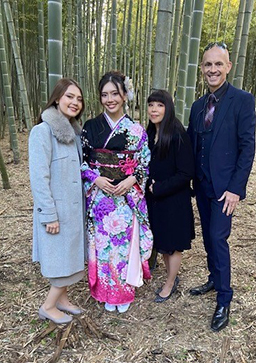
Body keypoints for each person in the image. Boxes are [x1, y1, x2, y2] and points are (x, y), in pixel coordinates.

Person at [187, 42, 256, 331]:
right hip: (202, 185)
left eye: (218, 64)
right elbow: (191, 144)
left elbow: (247, 146)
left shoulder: (242, 100)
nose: (212, 69)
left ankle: (224, 298)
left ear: (228, 67)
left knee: (217, 238)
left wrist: (236, 189)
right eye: (207, 64)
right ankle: (215, 279)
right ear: (202, 68)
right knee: (207, 238)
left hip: (225, 188)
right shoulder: (198, 105)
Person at [81, 71, 153, 313]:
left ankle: (123, 292)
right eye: (104, 94)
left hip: (125, 197)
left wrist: (131, 179)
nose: (110, 99)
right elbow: (81, 162)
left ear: (125, 95)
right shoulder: (90, 127)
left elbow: (144, 162)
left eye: (115, 93)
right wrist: (96, 178)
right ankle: (104, 291)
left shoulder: (136, 129)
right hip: (100, 196)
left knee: (123, 247)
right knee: (102, 245)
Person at [29, 78, 86, 324]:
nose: (75, 102)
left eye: (79, 99)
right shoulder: (43, 131)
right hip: (57, 211)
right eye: (69, 97)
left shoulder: (73, 133)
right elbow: (39, 178)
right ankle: (48, 306)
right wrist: (48, 214)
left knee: (70, 258)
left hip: (73, 210)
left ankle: (62, 300)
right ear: (57, 99)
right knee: (60, 259)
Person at [146, 90, 195, 303]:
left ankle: (170, 282)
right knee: (163, 241)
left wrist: (159, 188)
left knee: (173, 244)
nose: (154, 110)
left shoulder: (177, 134)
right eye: (151, 105)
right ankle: (170, 277)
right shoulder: (148, 133)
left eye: (159, 105)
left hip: (174, 200)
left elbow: (186, 173)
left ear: (168, 108)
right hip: (155, 200)